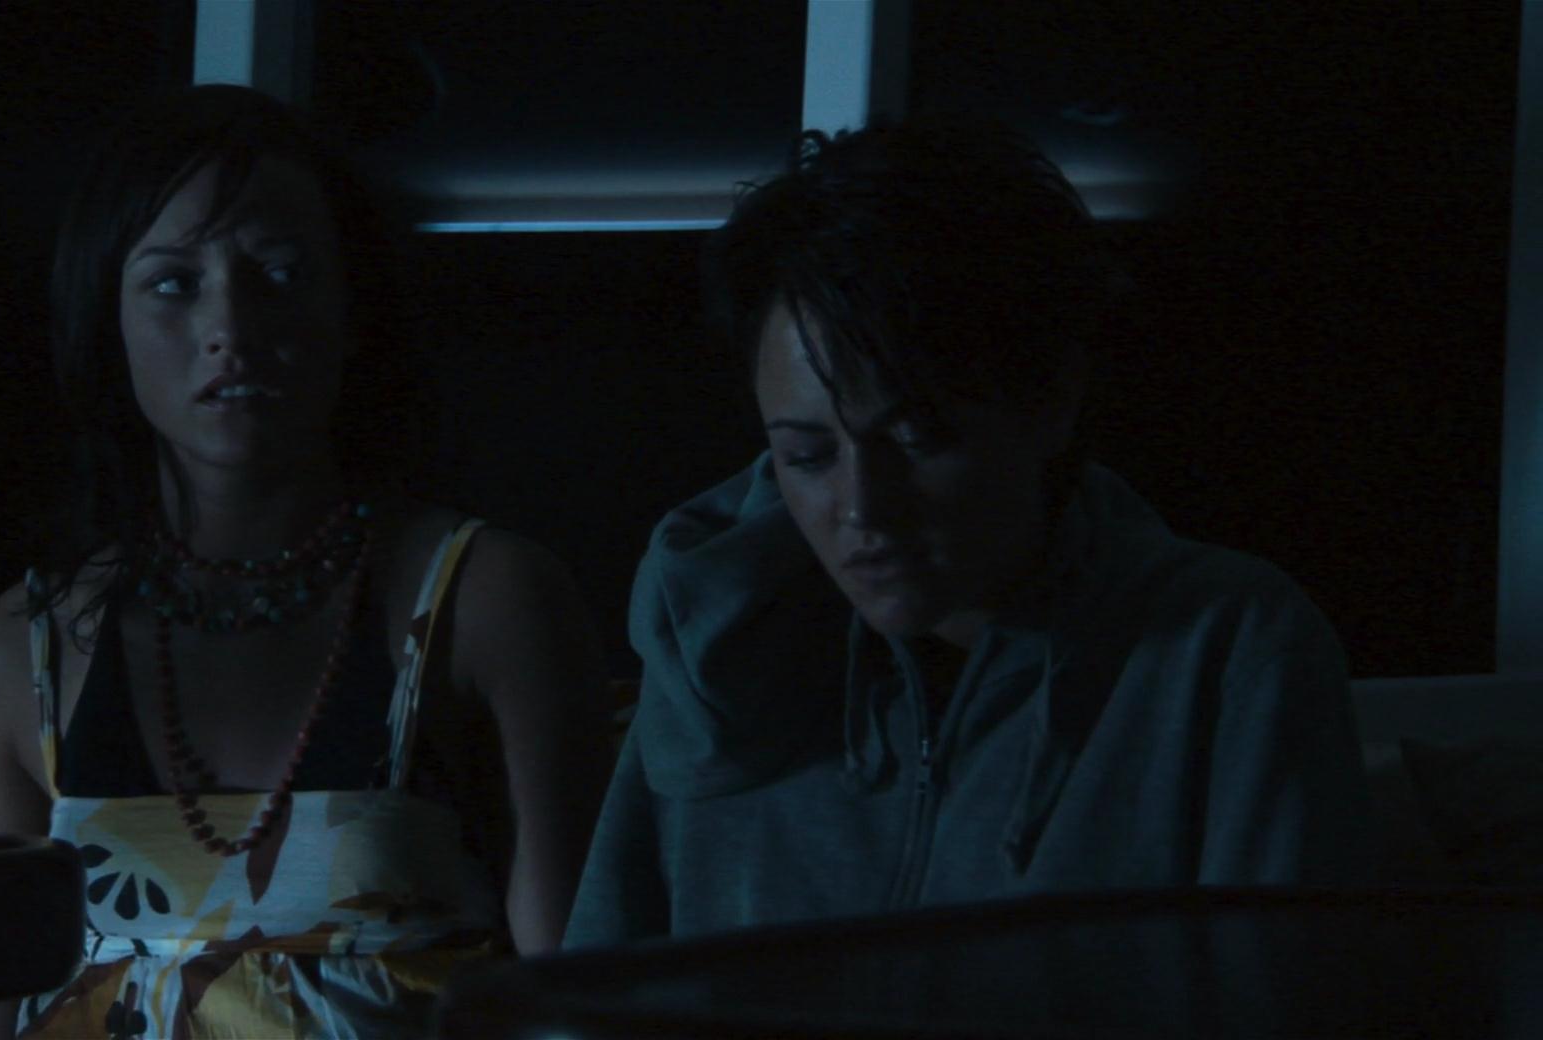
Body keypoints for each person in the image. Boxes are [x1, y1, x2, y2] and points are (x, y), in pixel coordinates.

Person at [563, 120, 1376, 949]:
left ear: (1050, 402)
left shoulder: (1221, 652)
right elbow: (596, 982)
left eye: (919, 439)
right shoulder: (724, 650)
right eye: (807, 456)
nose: (862, 508)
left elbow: (1279, 992)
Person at [0, 84, 611, 1039]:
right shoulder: (15, 656)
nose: (232, 326)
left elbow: (578, 994)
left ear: (351, 307)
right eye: (174, 283)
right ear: (107, 317)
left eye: (281, 272)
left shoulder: (486, 600)